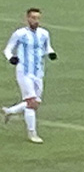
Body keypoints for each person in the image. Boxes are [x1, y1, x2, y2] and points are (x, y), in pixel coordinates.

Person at [2, 8, 58, 144]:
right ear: (27, 18)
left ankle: (10, 111)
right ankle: (32, 133)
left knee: (35, 102)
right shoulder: (20, 34)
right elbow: (7, 49)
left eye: (38, 18)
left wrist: (51, 53)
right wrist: (11, 58)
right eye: (33, 18)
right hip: (24, 72)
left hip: (38, 72)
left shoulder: (44, 33)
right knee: (31, 102)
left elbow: (47, 47)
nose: (36, 21)